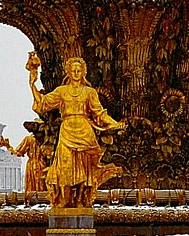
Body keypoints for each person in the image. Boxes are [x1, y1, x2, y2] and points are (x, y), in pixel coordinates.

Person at [28, 53, 125, 208]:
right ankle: (66, 198)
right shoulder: (62, 91)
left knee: (82, 166)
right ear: (68, 72)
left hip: (84, 130)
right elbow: (43, 102)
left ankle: (80, 198)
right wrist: (32, 84)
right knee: (65, 165)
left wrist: (115, 124)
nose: (75, 73)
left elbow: (99, 113)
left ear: (83, 72)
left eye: (78, 71)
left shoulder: (89, 92)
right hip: (67, 129)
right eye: (73, 70)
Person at [0, 126, 46, 193]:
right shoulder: (47, 139)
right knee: (42, 186)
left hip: (32, 166)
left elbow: (18, 153)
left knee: (32, 187)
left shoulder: (29, 139)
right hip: (43, 166)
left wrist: (8, 147)